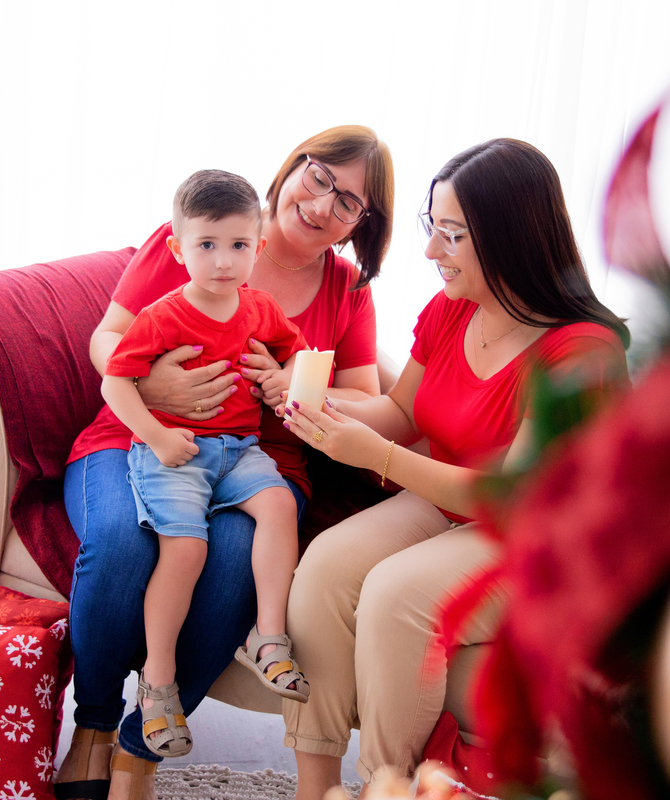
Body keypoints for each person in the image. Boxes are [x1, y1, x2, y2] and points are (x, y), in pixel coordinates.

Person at [278, 138, 631, 800]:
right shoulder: (450, 309)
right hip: (444, 504)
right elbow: (401, 411)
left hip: (533, 536)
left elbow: (513, 496)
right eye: (431, 227)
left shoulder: (584, 351)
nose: (431, 252)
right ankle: (314, 788)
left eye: (453, 235)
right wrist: (319, 409)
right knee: (324, 567)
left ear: (511, 239)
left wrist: (377, 456)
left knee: (398, 597)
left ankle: (389, 787)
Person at [56, 125, 394, 800]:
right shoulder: (201, 231)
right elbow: (108, 341)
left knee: (234, 560)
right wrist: (152, 390)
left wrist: (292, 385)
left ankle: (136, 750)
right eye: (321, 176)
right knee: (122, 541)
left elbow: (371, 402)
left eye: (350, 202)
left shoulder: (346, 289)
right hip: (138, 439)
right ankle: (92, 726)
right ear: (294, 165)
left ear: (362, 224)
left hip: (256, 460)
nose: (325, 203)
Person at [101, 169, 311, 760]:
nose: (224, 261)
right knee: (186, 549)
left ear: (258, 248)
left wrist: (283, 377)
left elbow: (294, 350)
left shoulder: (258, 307)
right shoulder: (164, 316)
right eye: (207, 245)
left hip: (240, 449)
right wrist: (157, 435)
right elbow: (115, 383)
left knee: (276, 504)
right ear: (178, 249)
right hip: (178, 452)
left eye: (239, 246)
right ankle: (159, 681)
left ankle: (269, 637)